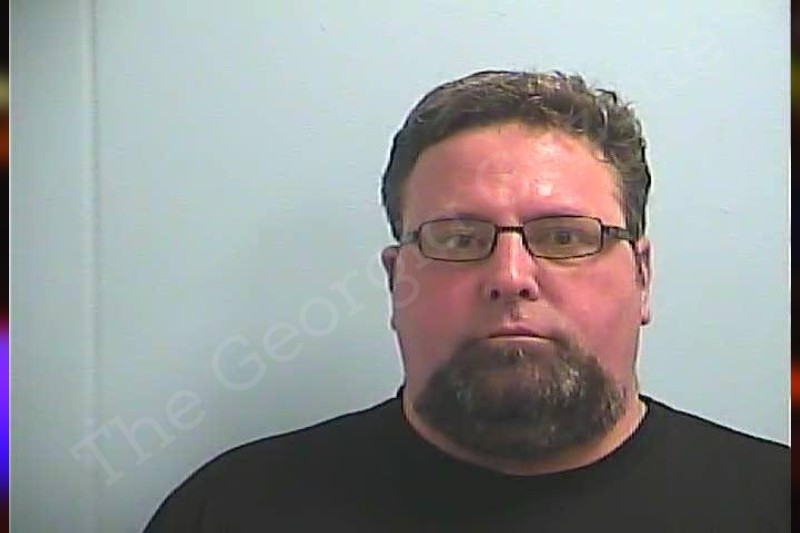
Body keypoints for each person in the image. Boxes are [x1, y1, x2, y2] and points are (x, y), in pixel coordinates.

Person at [144, 70, 789, 532]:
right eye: (458, 239)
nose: (510, 276)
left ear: (641, 276)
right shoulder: (228, 511)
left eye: (565, 237)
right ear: (396, 281)